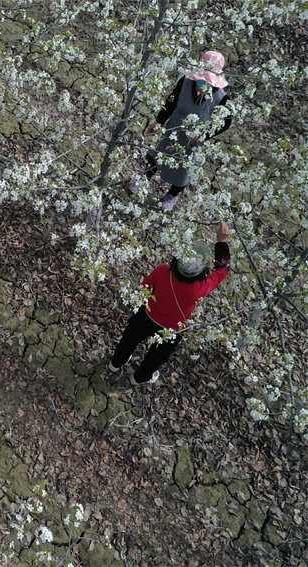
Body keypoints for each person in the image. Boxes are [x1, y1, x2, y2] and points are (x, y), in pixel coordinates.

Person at [107, 221, 231, 384]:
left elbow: (145, 285)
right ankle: (139, 378)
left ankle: (116, 363)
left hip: (148, 314)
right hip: (173, 328)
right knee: (156, 357)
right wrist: (221, 241)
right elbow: (223, 269)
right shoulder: (198, 289)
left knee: (129, 339)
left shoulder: (163, 271)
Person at [140, 50, 233, 211]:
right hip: (174, 127)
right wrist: (158, 121)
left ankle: (172, 195)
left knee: (184, 170)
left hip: (193, 140)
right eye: (201, 80)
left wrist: (205, 134)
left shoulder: (222, 98)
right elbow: (171, 101)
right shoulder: (186, 81)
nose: (203, 83)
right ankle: (143, 180)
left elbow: (226, 122)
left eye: (208, 81)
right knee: (159, 155)